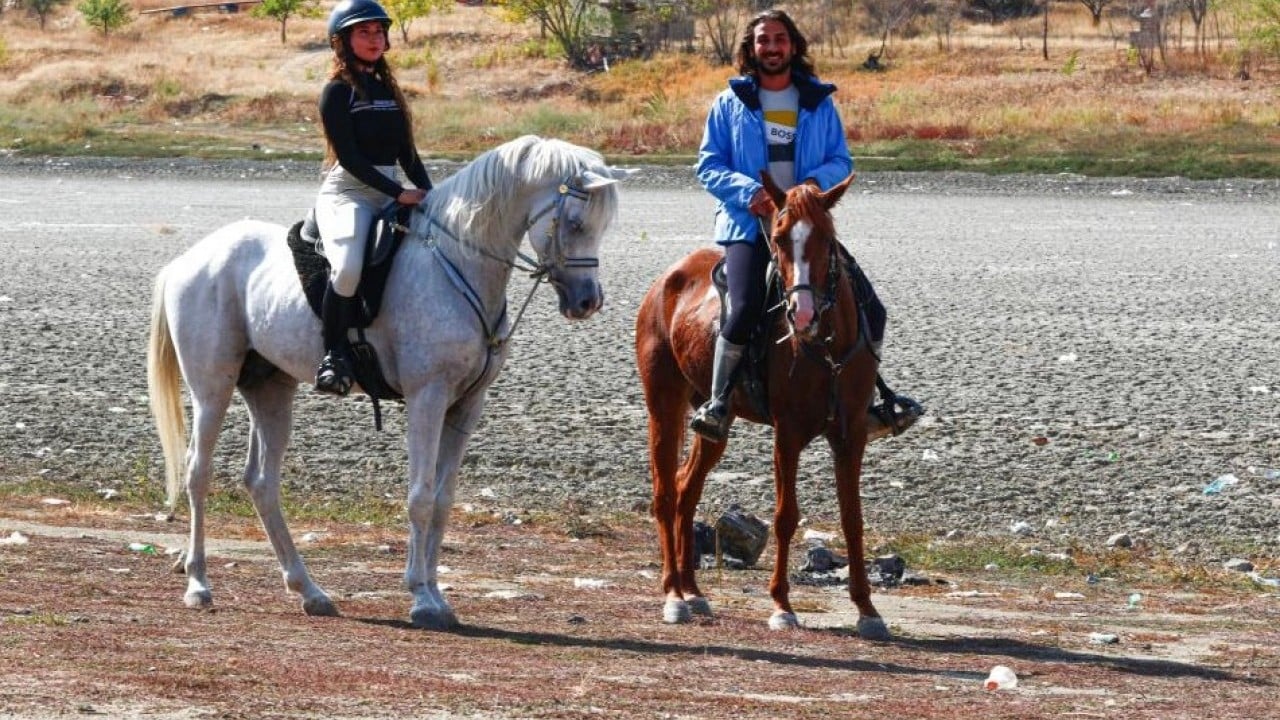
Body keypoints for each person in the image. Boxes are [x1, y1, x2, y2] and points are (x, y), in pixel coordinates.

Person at [690, 8, 922, 443]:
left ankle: (870, 403)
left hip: (808, 226)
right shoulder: (728, 104)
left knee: (870, 306)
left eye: (779, 39)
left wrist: (815, 184)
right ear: (751, 49)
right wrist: (747, 192)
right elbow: (709, 165)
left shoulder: (818, 102)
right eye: (763, 40)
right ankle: (718, 403)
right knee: (742, 309)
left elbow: (841, 160)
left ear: (793, 46)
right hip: (752, 223)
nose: (772, 47)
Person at [313, 0, 431, 396]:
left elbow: (406, 154)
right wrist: (400, 193)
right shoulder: (337, 92)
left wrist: (430, 193)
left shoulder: (389, 91)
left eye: (378, 32)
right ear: (342, 41)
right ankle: (333, 355)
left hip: (390, 189)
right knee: (347, 269)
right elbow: (349, 158)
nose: (374, 38)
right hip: (349, 192)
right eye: (364, 32)